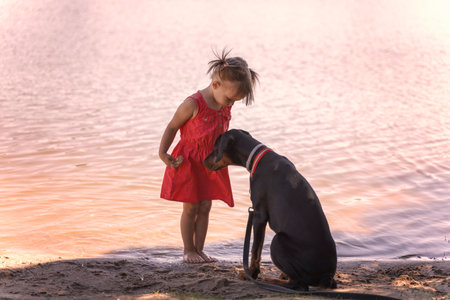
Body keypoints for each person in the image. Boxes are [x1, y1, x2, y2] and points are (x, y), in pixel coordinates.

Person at [159, 49, 259, 263]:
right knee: (191, 207)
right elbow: (172, 127)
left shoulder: (223, 102)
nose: (230, 105)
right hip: (189, 162)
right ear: (215, 85)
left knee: (206, 206)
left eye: (235, 102)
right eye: (230, 99)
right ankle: (188, 250)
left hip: (211, 163)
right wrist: (163, 153)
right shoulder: (193, 104)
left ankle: (200, 249)